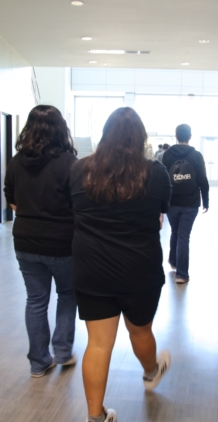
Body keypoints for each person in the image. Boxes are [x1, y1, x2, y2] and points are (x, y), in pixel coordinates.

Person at [70, 107, 172, 422]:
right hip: (140, 270)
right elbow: (160, 217)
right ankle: (151, 371)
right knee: (140, 331)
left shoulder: (79, 170)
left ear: (105, 135)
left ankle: (95, 417)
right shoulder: (155, 173)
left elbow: (72, 210)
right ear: (140, 138)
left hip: (91, 268)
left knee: (98, 344)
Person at [3, 105, 77, 377]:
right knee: (68, 295)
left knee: (35, 300)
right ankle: (62, 352)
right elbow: (77, 203)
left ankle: (38, 362)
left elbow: (11, 200)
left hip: (25, 242)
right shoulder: (69, 163)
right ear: (60, 128)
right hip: (62, 243)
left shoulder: (16, 161)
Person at [162, 124, 209, 284]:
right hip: (191, 202)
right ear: (190, 136)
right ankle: (181, 274)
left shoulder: (167, 155)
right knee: (183, 235)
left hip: (172, 201)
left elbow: (163, 180)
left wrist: (161, 202)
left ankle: (173, 261)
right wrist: (206, 201)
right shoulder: (196, 156)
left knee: (175, 231)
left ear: (176, 136)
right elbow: (202, 179)